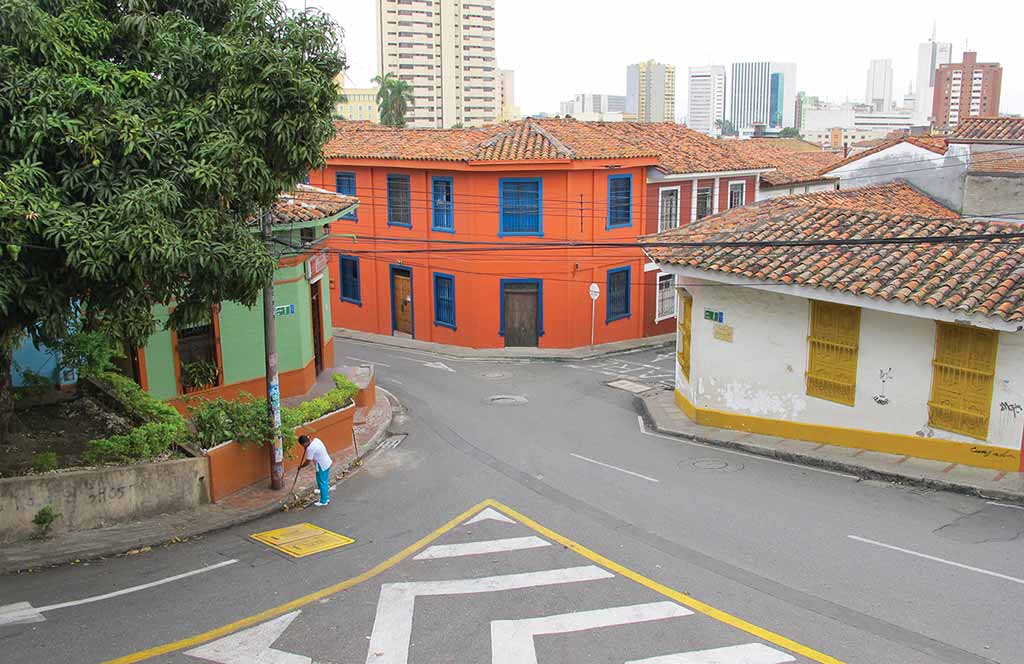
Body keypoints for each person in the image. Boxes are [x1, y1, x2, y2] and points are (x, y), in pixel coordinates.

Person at [299, 435, 332, 507]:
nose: (303, 447)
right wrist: (306, 447)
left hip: (321, 465)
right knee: (323, 481)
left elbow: (308, 461)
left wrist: (301, 467)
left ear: (304, 443)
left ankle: (324, 501)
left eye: (302, 445)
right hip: (327, 462)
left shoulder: (310, 448)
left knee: (322, 482)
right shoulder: (316, 440)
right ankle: (325, 495)